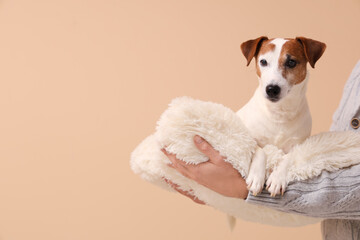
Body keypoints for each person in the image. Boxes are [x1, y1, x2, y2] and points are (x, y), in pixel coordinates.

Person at [161, 60, 360, 240]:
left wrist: (243, 191)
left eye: (290, 64)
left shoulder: (303, 119)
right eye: (264, 63)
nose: (275, 78)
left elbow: (304, 157)